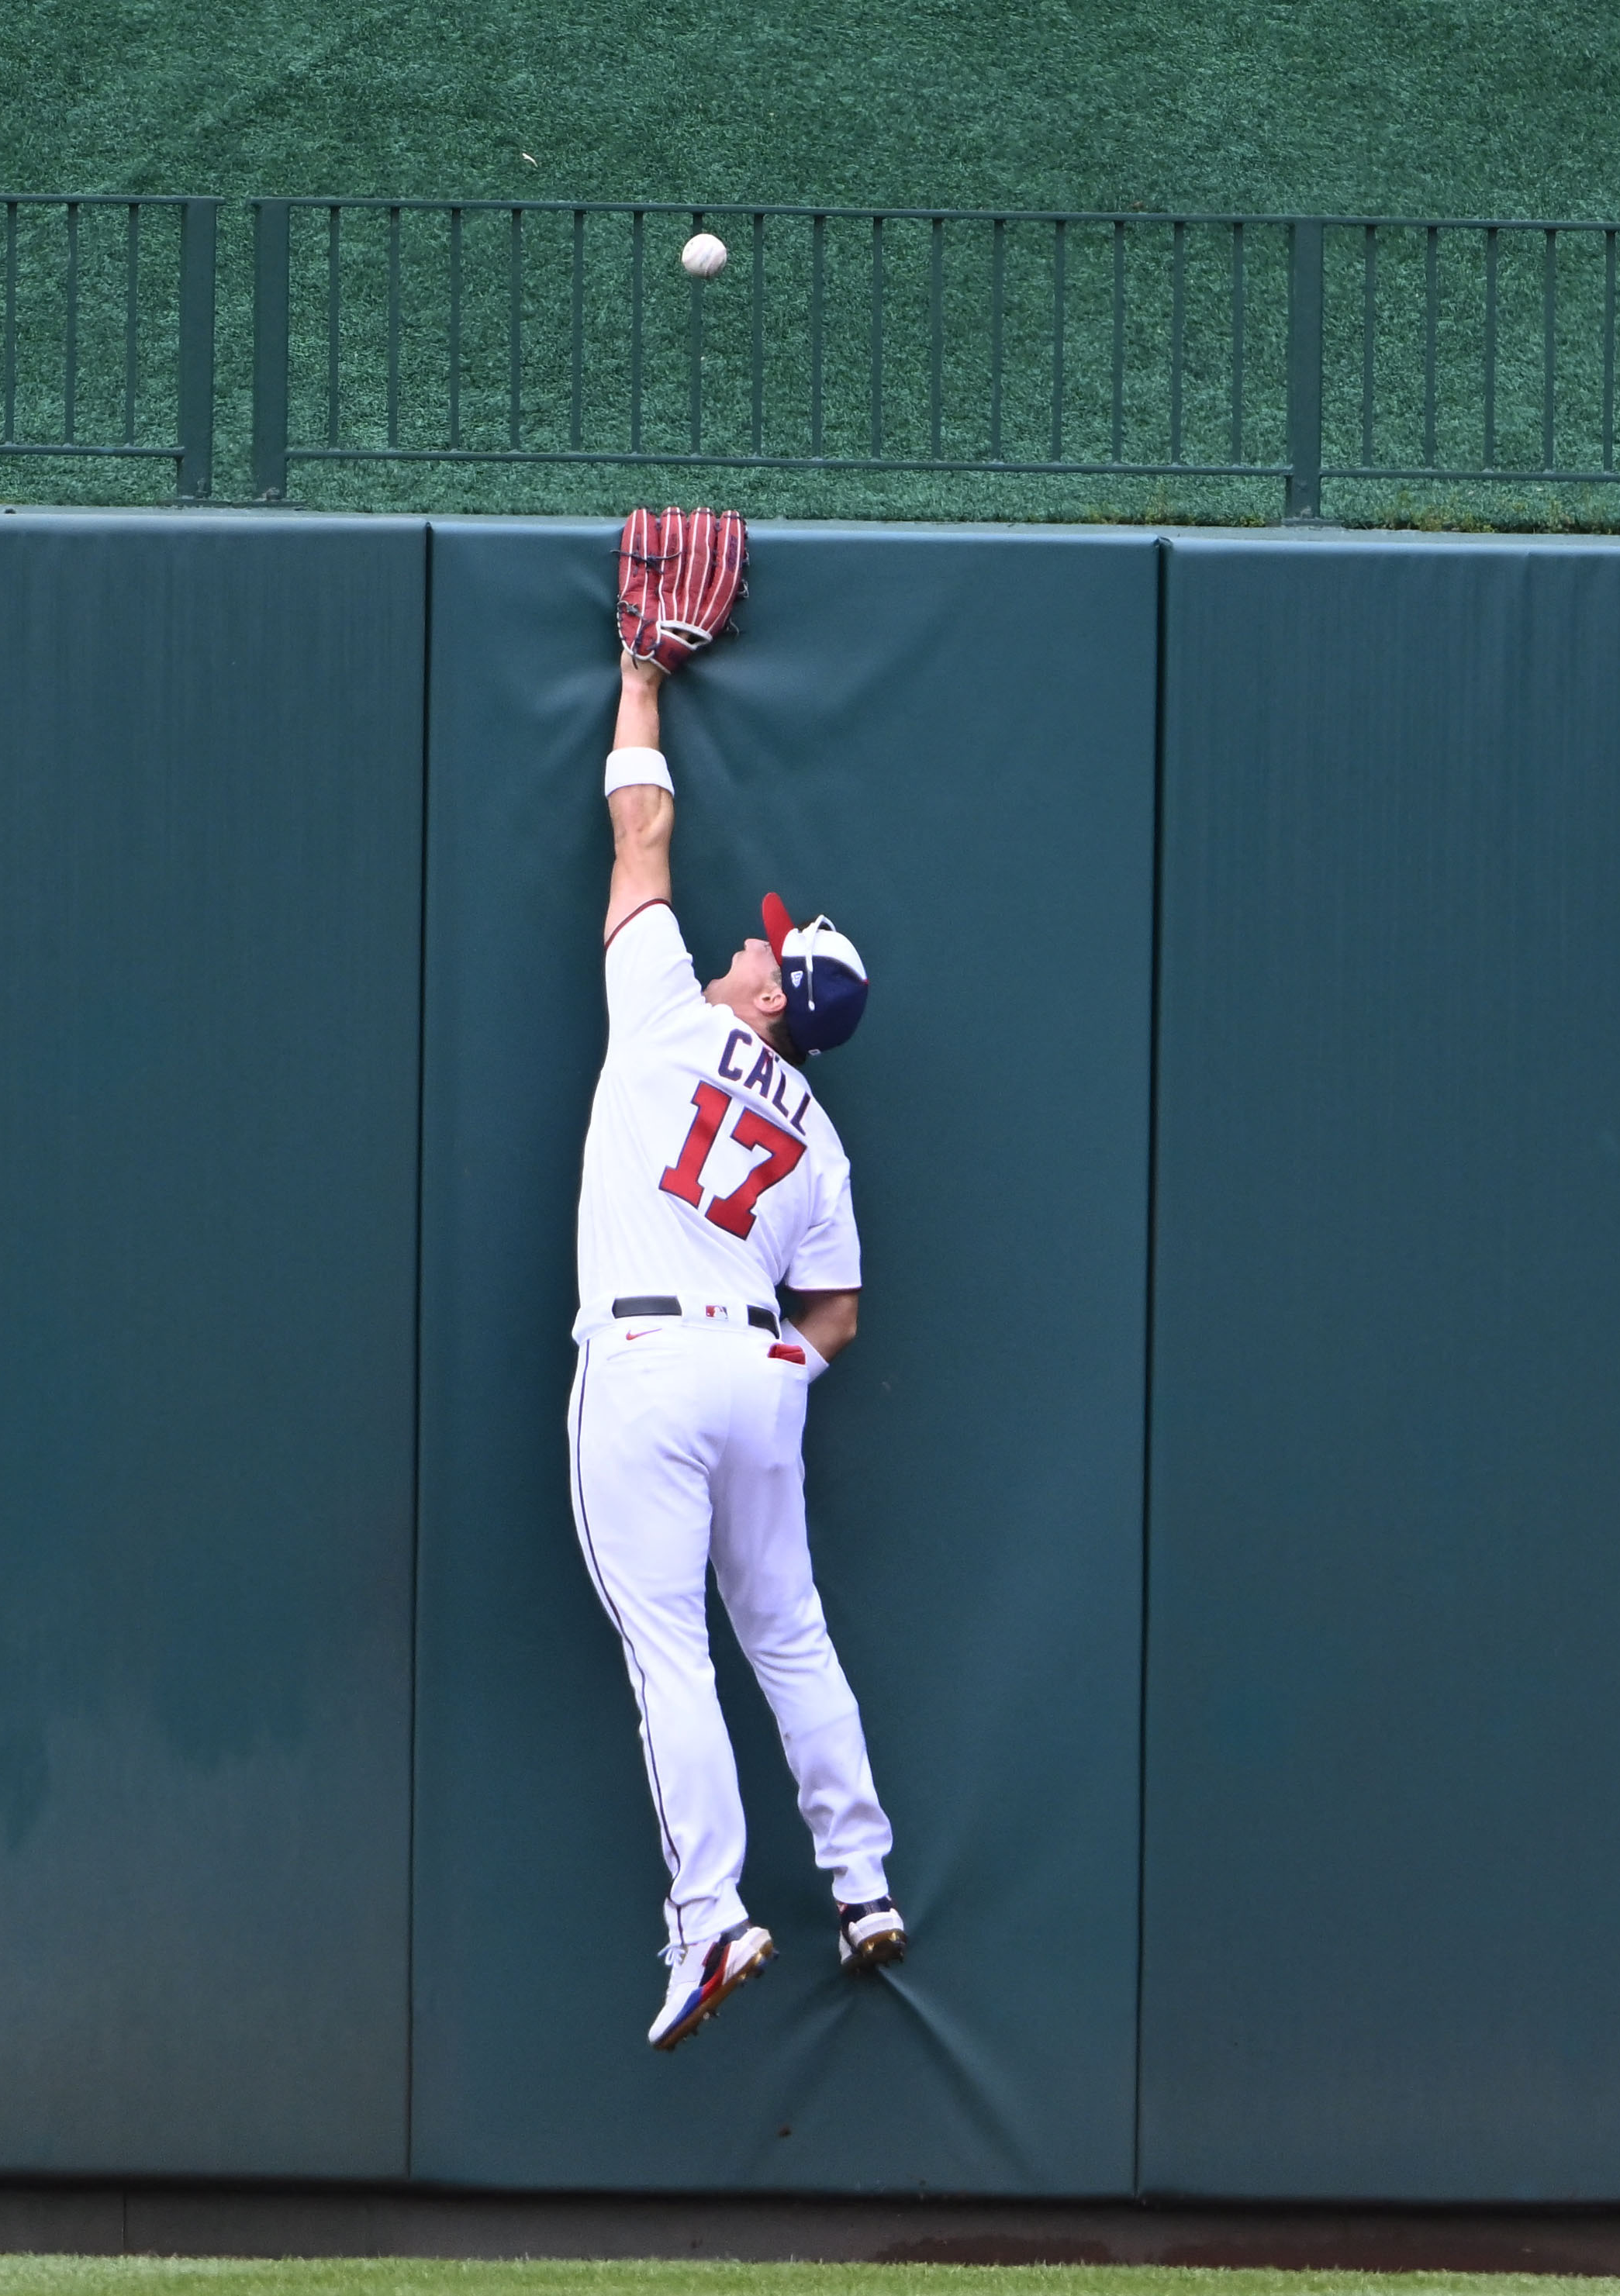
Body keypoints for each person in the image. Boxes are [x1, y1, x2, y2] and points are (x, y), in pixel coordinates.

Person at [570, 591, 906, 2056]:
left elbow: (640, 836)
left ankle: (709, 1913)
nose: (744, 948)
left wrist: (641, 677)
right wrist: (794, 1357)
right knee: (791, 1634)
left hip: (645, 1358)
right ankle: (863, 1877)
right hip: (757, 1370)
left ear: (771, 993)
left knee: (673, 1656)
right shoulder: (821, 1141)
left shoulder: (666, 1014)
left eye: (765, 950)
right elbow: (837, 1309)